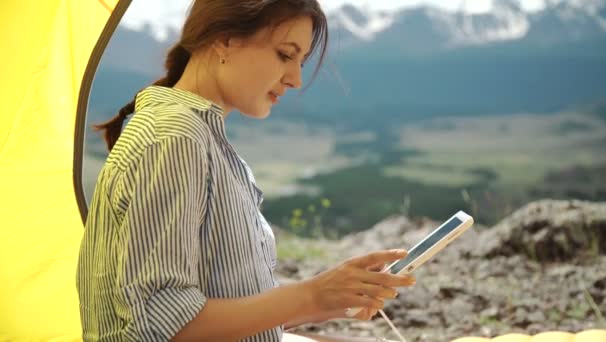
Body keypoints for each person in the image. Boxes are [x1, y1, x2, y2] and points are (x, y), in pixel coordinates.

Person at [76, 0, 416, 341]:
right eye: (285, 54)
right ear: (224, 39)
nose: (296, 79)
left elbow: (225, 307)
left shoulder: (199, 136)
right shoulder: (174, 139)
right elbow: (165, 326)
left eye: (301, 61)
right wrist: (309, 293)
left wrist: (330, 299)